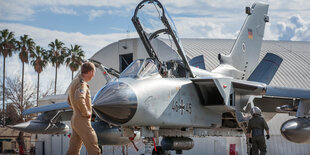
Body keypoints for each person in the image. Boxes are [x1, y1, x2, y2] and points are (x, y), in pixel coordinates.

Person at [66, 61, 101, 155]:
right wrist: (86, 113)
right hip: (82, 119)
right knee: (93, 145)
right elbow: (78, 98)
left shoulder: (75, 81)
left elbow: (69, 100)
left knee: (74, 149)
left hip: (75, 118)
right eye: (94, 72)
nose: (93, 75)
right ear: (90, 72)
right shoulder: (82, 84)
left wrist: (76, 110)